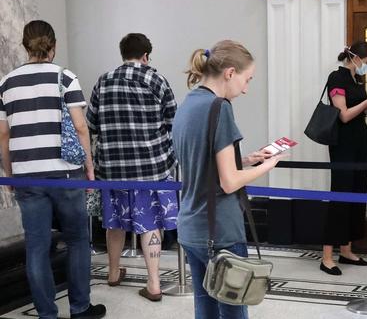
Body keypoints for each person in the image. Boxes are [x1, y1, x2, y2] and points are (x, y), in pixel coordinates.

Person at [0, 20, 106, 318]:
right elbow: (81, 127)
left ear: (25, 45)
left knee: (36, 246)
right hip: (65, 173)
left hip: (26, 175)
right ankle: (80, 308)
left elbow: (3, 135)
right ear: (54, 45)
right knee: (76, 239)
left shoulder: (7, 83)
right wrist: (89, 168)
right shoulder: (65, 77)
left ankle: (47, 314)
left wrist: (9, 173)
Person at [173, 40, 284, 319]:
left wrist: (245, 160)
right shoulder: (220, 107)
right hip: (220, 230)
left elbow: (200, 160)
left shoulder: (189, 104)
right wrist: (268, 165)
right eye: (247, 80)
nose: (246, 89)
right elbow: (229, 182)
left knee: (205, 306)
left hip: (191, 226)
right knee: (234, 311)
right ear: (230, 73)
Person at [86, 33, 178, 301]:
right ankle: (153, 283)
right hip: (152, 168)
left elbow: (91, 123)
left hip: (112, 168)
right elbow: (173, 121)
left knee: (113, 222)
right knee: (151, 223)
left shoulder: (103, 81)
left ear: (122, 54)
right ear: (146, 56)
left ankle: (113, 272)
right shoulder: (156, 79)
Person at [319, 41, 367, 276]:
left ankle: (346, 249)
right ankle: (327, 256)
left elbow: (360, 112)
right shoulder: (336, 78)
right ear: (355, 57)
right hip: (343, 145)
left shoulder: (358, 79)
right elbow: (344, 115)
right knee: (340, 194)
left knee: (357, 192)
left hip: (359, 140)